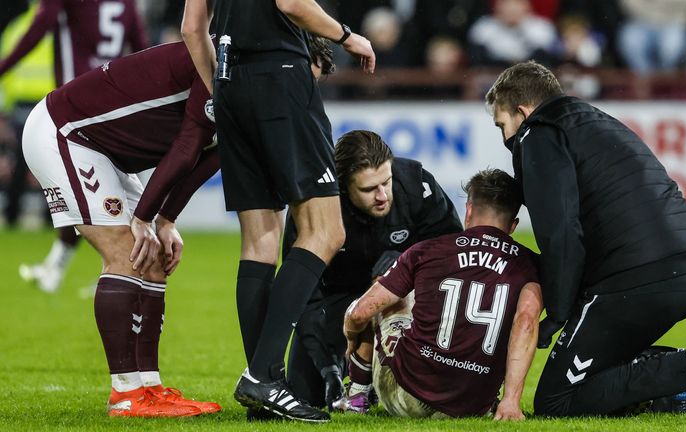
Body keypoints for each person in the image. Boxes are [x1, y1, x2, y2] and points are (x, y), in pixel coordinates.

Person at [485, 60, 686, 418]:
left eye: (502, 125)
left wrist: (558, 314)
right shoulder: (594, 120)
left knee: (555, 401)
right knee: (599, 366)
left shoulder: (538, 133)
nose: (505, 138)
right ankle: (685, 389)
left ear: (523, 111)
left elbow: (561, 233)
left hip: (637, 277)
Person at [181, 0, 375, 423]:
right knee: (326, 232)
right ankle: (262, 374)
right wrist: (346, 35)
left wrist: (221, 89)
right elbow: (291, 3)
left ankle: (267, 389)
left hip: (230, 82)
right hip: (280, 77)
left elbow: (192, 29)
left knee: (260, 239)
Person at [22, 40, 222, 417]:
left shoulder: (256, 84)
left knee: (155, 258)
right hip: (65, 132)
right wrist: (146, 219)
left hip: (102, 147)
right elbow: (187, 145)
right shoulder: (227, 67)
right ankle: (125, 393)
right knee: (125, 251)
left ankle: (150, 386)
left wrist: (166, 220)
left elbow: (206, 158)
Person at [283, 130, 463, 412]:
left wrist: (406, 261)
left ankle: (379, 378)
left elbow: (453, 255)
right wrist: (327, 364)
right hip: (338, 302)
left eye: (386, 182)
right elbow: (302, 295)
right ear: (342, 188)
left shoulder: (417, 185)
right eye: (368, 190)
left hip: (405, 300)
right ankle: (345, 371)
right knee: (305, 393)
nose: (382, 196)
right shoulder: (314, 205)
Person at [343, 168, 542, 420]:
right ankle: (497, 401)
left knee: (387, 292)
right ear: (513, 225)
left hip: (407, 397)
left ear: (468, 210)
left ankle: (357, 396)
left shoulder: (427, 250)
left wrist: (352, 338)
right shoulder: (529, 266)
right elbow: (525, 321)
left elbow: (361, 312)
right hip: (473, 407)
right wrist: (511, 402)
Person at [2, 0, 150, 293]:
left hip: (76, 102)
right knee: (104, 189)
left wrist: (2, 67)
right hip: (113, 99)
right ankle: (62, 267)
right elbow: (142, 48)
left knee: (100, 191)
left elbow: (39, 26)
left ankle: (123, 271)